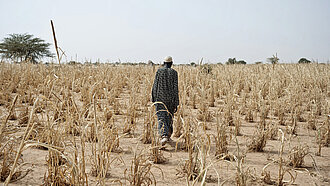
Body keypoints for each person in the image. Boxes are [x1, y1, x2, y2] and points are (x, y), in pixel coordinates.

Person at [152, 56, 179, 146]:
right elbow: (176, 89)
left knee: (161, 117)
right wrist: (176, 103)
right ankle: (167, 135)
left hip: (160, 98)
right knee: (169, 117)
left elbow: (155, 85)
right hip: (170, 99)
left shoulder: (159, 71)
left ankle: (164, 136)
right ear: (171, 63)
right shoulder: (174, 73)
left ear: (164, 63)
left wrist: (153, 98)